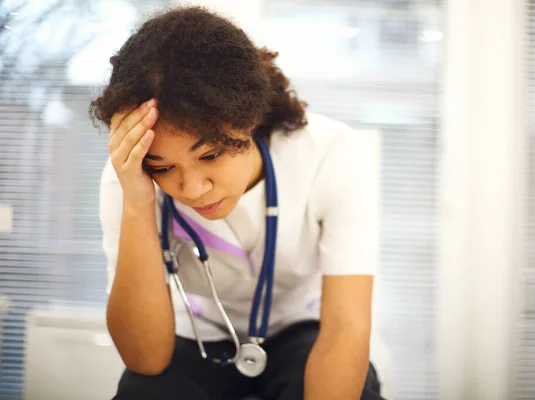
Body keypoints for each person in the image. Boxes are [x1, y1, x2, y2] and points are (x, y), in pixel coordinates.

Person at [92, 6, 383, 400]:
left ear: (248, 117)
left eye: (210, 156)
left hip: (303, 327)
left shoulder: (333, 156)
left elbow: (345, 327)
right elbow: (145, 358)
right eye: (164, 168)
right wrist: (138, 203)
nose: (192, 189)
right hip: (201, 332)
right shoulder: (127, 177)